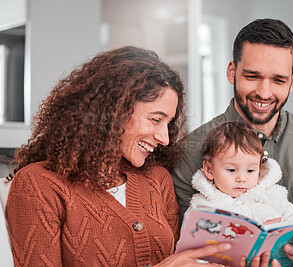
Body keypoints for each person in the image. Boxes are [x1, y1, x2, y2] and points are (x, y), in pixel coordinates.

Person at [5, 46, 237, 267]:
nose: (165, 138)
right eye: (156, 119)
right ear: (112, 111)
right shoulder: (38, 185)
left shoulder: (158, 180)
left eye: (168, 123)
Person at [171, 19, 293, 266]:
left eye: (278, 80)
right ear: (231, 72)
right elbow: (180, 244)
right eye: (253, 76)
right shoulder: (188, 150)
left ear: (292, 81)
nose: (264, 93)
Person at [179, 121, 293, 264]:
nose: (242, 178)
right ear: (209, 170)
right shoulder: (201, 208)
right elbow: (187, 257)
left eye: (251, 171)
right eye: (231, 170)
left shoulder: (270, 195)